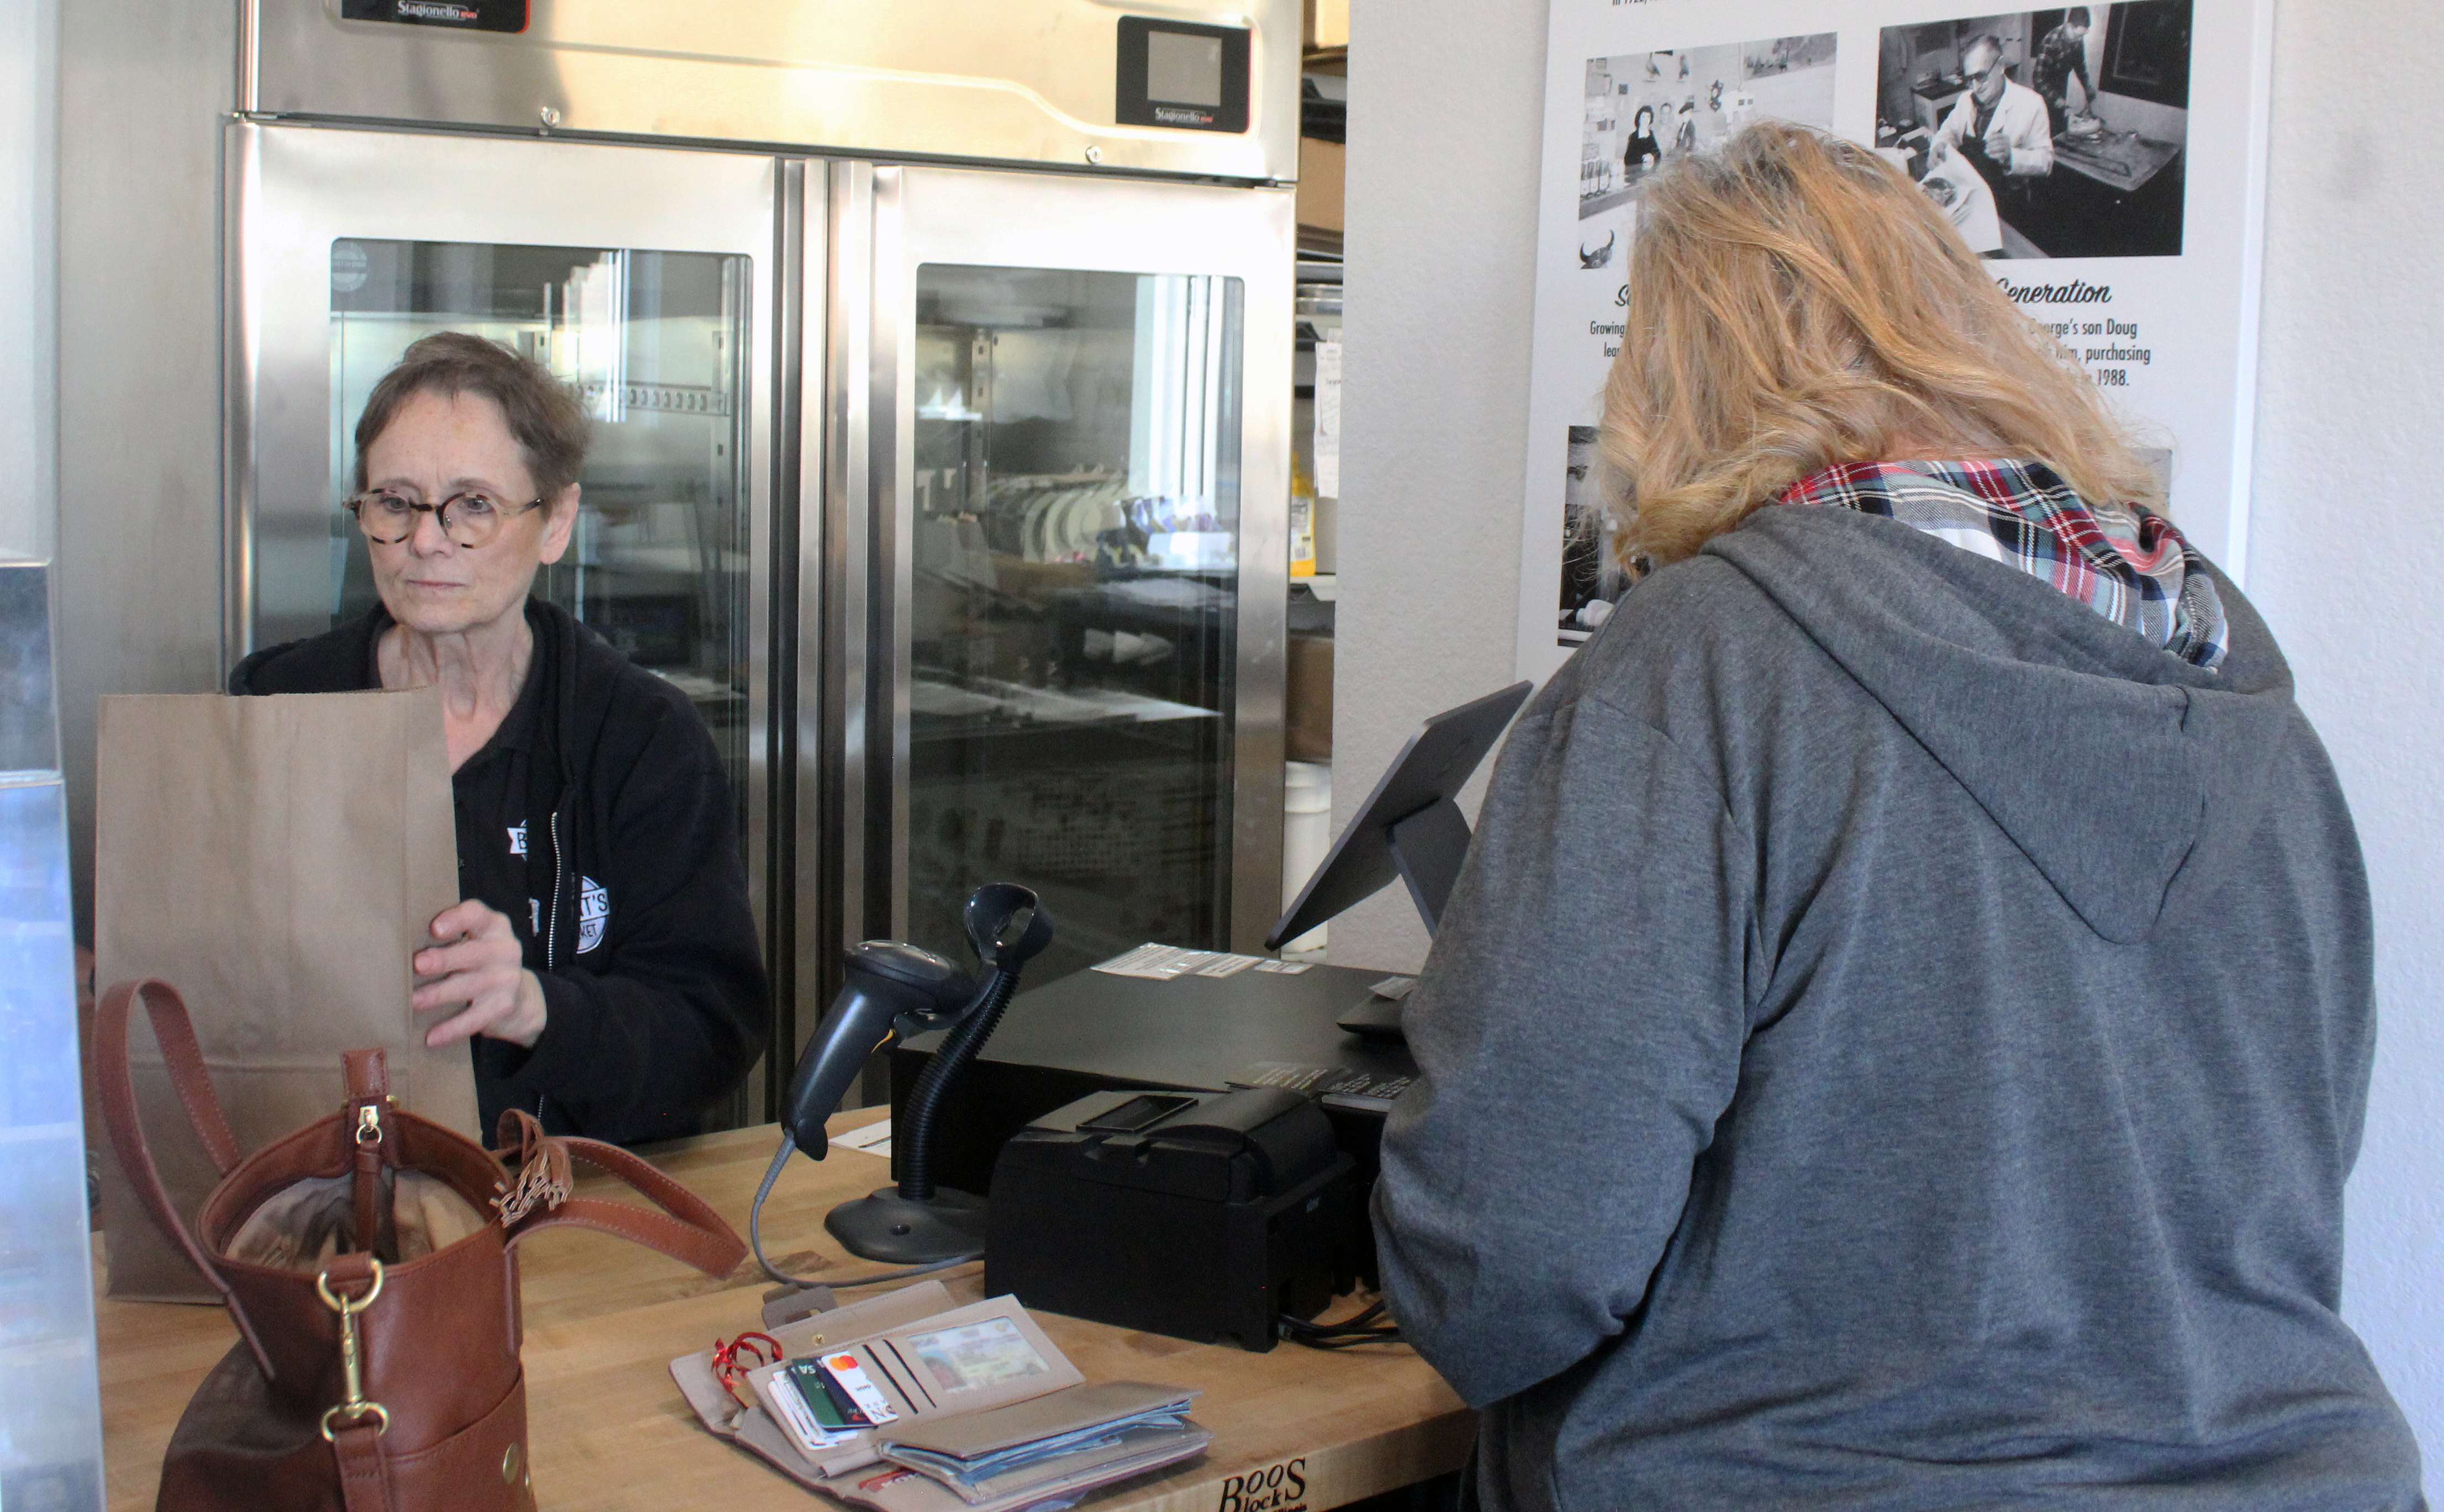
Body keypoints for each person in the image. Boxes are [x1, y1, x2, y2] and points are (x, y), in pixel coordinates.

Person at [1372, 123, 2421, 1509]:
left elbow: (1514, 1253)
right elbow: (2276, 1178)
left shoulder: (1698, 669)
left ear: (1680, 372)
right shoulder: (2231, 682)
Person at [231, 332, 769, 1146]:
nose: (426, 540)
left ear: (555, 522)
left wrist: (537, 1006)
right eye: (396, 502)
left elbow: (710, 1033)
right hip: (318, 1202)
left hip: (566, 1209)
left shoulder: (638, 739)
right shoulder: (277, 705)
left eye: (473, 504)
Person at [1933, 33, 2054, 194]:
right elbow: (1948, 132)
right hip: (1970, 192)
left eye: (1981, 76)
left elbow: (2046, 162)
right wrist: (1939, 146)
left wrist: (2011, 156)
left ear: (2001, 66)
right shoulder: (1965, 100)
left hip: (2008, 200)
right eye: (1970, 79)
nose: (1975, 87)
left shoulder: (2032, 104)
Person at [2033, 7, 2097, 139]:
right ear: (2069, 26)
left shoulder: (2077, 40)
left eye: (2082, 36)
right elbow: (2038, 78)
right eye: (2078, 36)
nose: (2080, 40)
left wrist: (2087, 88)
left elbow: (2080, 67)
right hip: (2044, 89)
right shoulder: (2050, 42)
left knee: (2058, 128)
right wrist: (2055, 98)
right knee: (2043, 129)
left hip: (2061, 84)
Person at [1621, 105, 1662, 179]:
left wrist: (1652, 155)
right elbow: (1628, 160)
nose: (1646, 120)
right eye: (1643, 117)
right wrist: (1643, 158)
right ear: (1639, 119)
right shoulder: (1634, 136)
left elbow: (1658, 153)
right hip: (1636, 174)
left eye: (1648, 117)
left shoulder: (1651, 134)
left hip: (1649, 174)